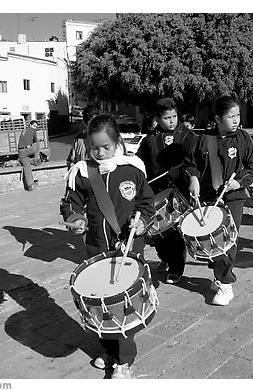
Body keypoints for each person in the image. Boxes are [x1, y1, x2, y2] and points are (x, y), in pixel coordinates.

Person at [60, 114, 154, 379]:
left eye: (106, 147)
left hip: (129, 246)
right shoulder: (82, 172)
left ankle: (124, 360)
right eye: (94, 147)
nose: (100, 153)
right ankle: (107, 350)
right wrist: (75, 220)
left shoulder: (133, 168)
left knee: (121, 302)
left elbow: (146, 204)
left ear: (118, 143)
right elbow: (70, 204)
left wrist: (143, 221)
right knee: (99, 301)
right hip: (97, 247)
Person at [185, 96, 253, 305]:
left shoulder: (243, 137)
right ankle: (218, 274)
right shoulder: (203, 139)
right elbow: (191, 163)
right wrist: (193, 178)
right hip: (209, 196)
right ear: (217, 119)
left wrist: (240, 182)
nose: (236, 120)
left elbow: (252, 164)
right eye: (231, 116)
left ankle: (226, 283)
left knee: (227, 241)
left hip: (233, 197)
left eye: (238, 115)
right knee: (210, 239)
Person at [136, 97, 194, 284]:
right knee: (157, 231)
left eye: (174, 116)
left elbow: (194, 161)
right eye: (167, 118)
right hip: (155, 190)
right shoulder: (150, 139)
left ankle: (177, 267)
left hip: (179, 192)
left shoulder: (187, 135)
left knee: (175, 231)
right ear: (157, 118)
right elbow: (141, 162)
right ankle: (165, 258)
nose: (172, 121)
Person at [18, 120, 40, 191]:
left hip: (21, 151)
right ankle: (36, 160)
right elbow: (35, 140)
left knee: (27, 167)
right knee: (37, 144)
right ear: (30, 125)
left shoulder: (23, 131)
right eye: (34, 126)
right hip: (28, 150)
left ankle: (30, 186)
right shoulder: (33, 131)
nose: (35, 128)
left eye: (36, 127)